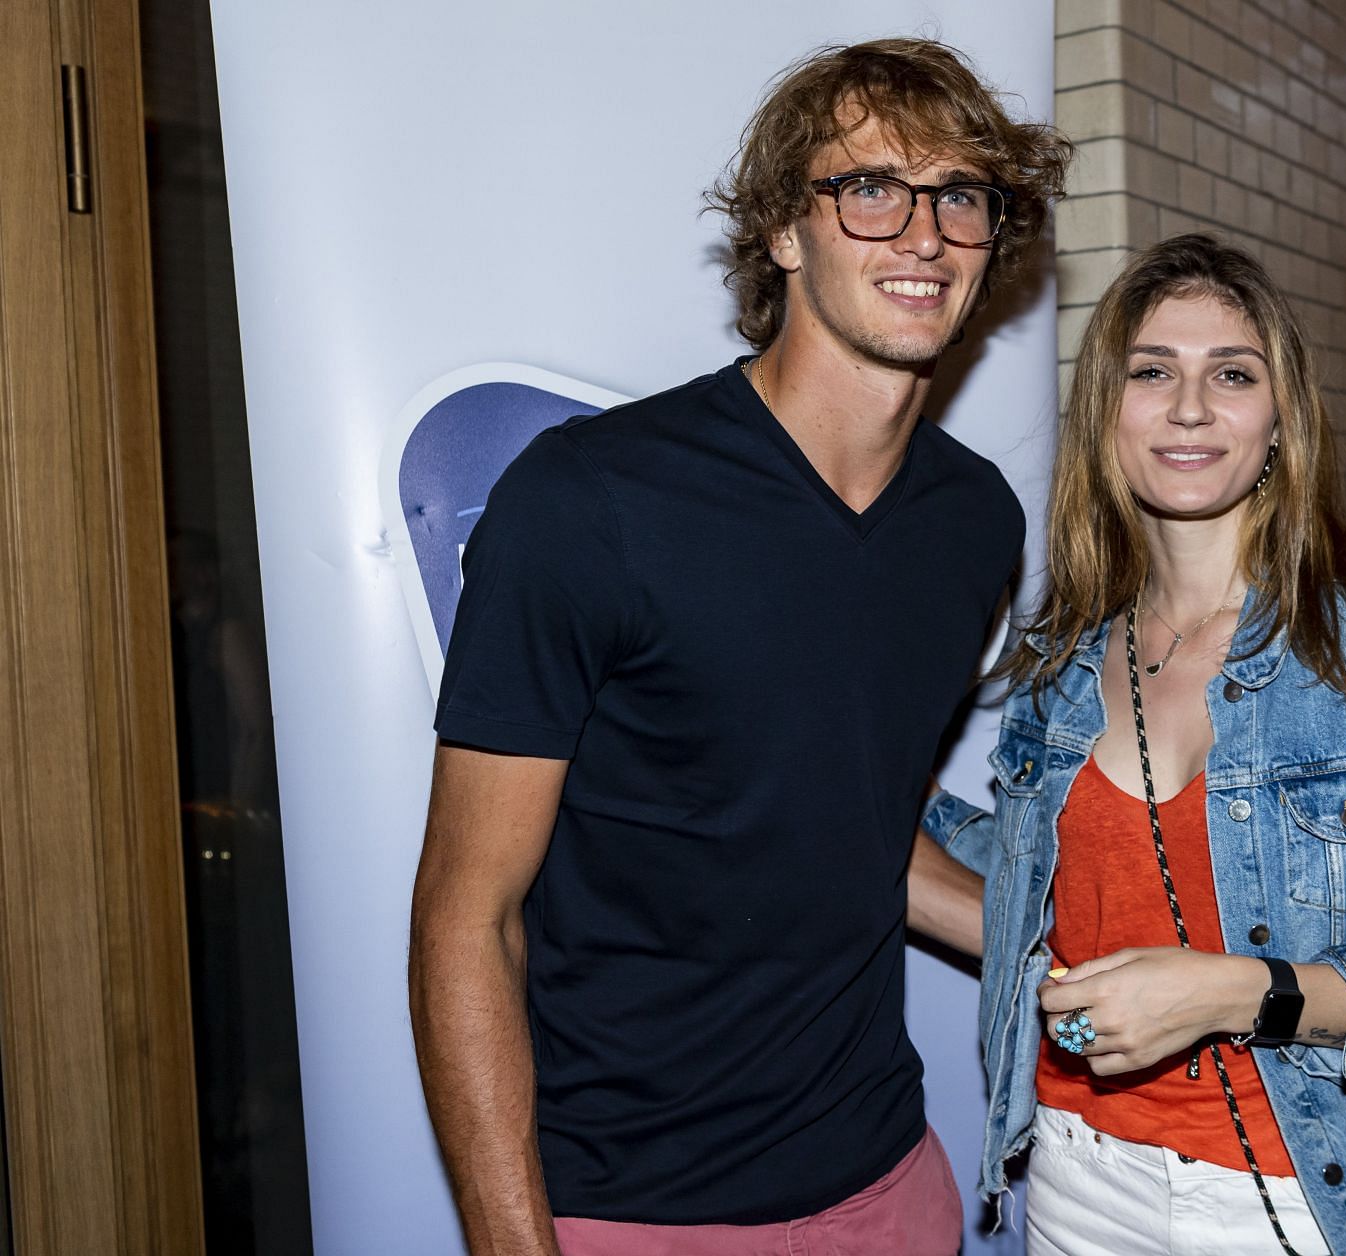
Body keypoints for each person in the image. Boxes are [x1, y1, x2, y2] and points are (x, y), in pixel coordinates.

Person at [407, 39, 1069, 1256]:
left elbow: (853, 826)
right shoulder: (591, 501)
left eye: (960, 196)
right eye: (869, 188)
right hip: (628, 1209)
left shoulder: (976, 523)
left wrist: (1085, 944)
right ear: (782, 231)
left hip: (889, 1187)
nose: (923, 233)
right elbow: (466, 916)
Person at [920, 235, 1346, 1256]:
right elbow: (1042, 881)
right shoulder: (1064, 657)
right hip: (1081, 1177)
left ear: (1278, 422)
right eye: (1152, 371)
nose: (1189, 406)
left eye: (1231, 374)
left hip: (1307, 1198)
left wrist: (1237, 989)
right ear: (1107, 418)